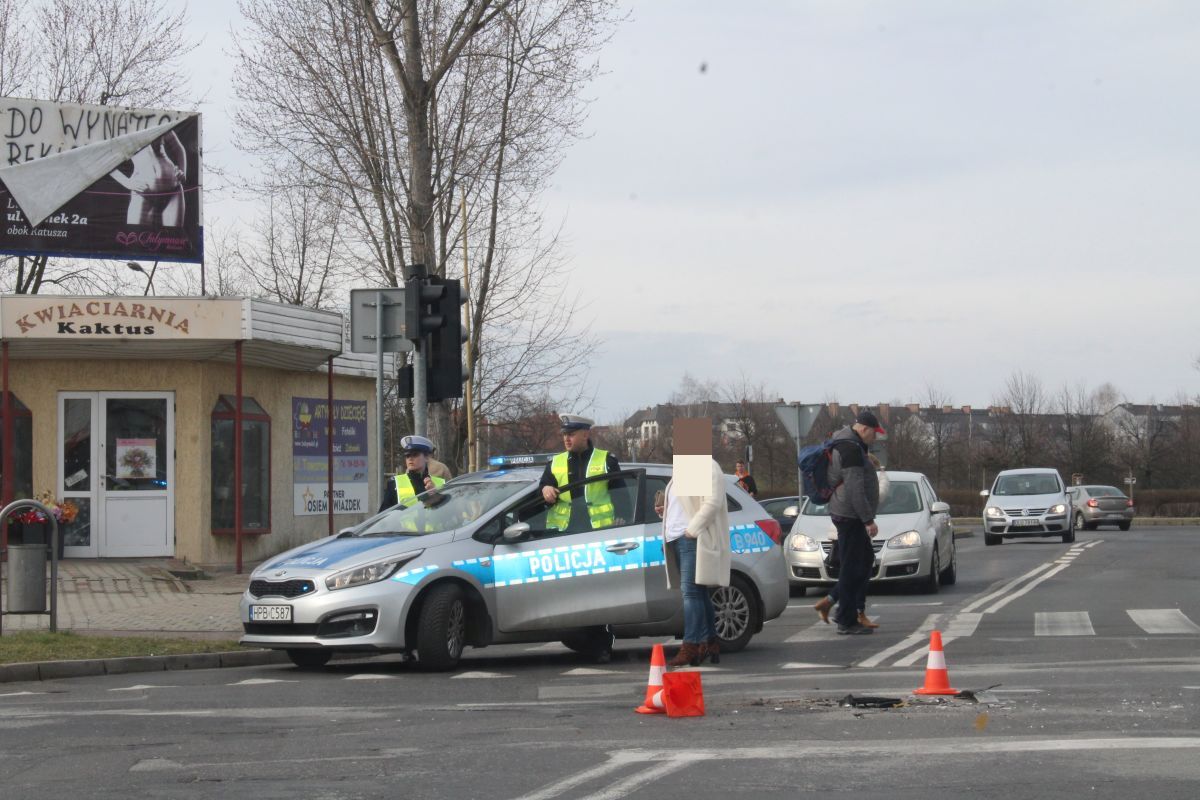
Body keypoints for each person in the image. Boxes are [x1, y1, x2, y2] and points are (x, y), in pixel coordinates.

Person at [661, 456, 732, 667]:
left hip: (691, 539)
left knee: (690, 592)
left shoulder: (708, 466)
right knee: (698, 592)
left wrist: (692, 530)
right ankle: (710, 642)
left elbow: (712, 502)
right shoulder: (687, 468)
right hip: (677, 538)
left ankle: (690, 646)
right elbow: (686, 504)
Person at [822, 410, 884, 635]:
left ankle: (837, 605)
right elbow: (855, 489)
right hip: (850, 515)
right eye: (874, 434)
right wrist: (868, 519)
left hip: (849, 514)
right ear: (864, 429)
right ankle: (845, 619)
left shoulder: (852, 444)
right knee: (851, 567)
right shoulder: (850, 449)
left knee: (863, 561)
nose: (874, 439)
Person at [813, 453, 890, 629]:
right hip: (854, 527)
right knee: (857, 571)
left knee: (856, 569)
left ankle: (833, 603)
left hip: (843, 530)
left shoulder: (846, 478)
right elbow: (879, 494)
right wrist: (884, 475)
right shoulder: (858, 480)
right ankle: (853, 613)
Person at [538, 414, 624, 532]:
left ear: (585, 435)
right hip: (562, 533)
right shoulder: (555, 463)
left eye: (571, 434)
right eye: (564, 434)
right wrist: (545, 489)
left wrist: (624, 521)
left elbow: (621, 495)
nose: (566, 439)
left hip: (600, 531)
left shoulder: (606, 460)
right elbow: (541, 492)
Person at [108, 130, 187, 227]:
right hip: (143, 192)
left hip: (173, 191)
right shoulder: (123, 128)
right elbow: (105, 160)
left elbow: (179, 148)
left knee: (174, 238)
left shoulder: (158, 121)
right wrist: (127, 182)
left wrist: (183, 172)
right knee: (136, 237)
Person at [379, 435, 446, 513]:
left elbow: (449, 515)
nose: (410, 458)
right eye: (407, 456)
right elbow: (383, 518)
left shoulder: (441, 483)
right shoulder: (394, 483)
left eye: (415, 455)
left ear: (427, 457)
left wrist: (436, 495)